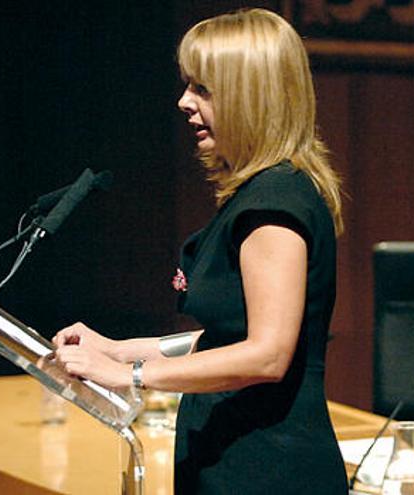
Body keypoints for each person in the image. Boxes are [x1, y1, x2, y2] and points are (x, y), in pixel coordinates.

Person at [52, 9, 348, 493]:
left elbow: (267, 355)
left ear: (250, 97)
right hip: (237, 464)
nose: (183, 102)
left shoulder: (274, 204)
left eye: (203, 89)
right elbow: (224, 339)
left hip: (267, 472)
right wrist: (116, 349)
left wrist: (133, 375)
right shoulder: (262, 193)